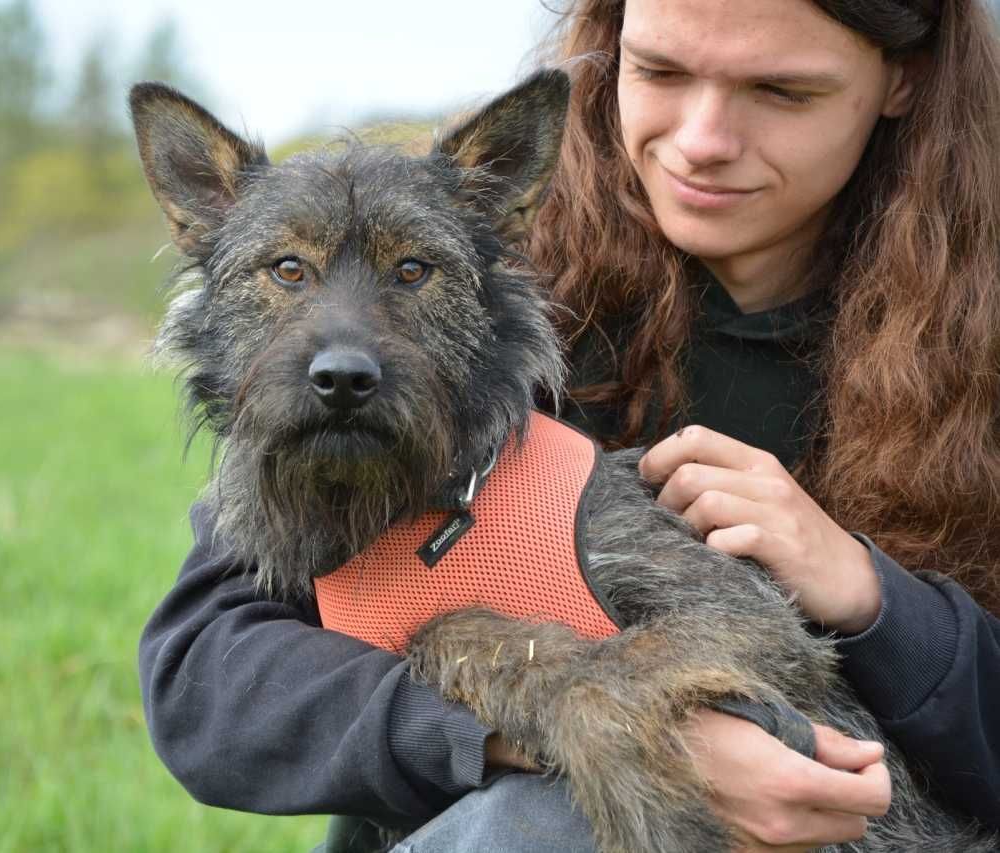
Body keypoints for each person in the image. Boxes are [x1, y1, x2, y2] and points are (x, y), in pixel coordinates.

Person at [140, 0, 1000, 850]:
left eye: (779, 90)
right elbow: (206, 680)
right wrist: (558, 715)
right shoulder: (491, 283)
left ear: (903, 79)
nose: (702, 138)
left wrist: (876, 599)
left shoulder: (978, 343)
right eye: (660, 71)